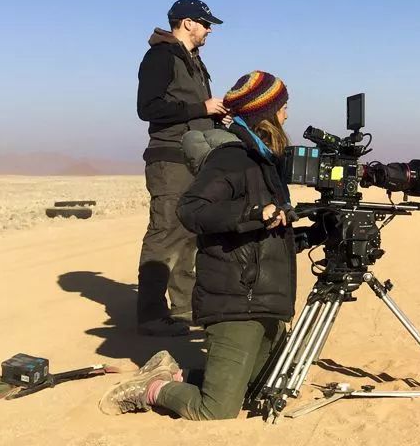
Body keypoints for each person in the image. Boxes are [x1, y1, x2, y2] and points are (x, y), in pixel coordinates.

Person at [101, 71, 297, 419]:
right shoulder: (233, 159)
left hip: (265, 300)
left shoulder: (265, 163)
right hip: (238, 301)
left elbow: (266, 234)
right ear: (265, 113)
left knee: (260, 388)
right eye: (282, 106)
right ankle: (150, 389)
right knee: (216, 410)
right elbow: (191, 210)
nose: (287, 114)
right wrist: (255, 213)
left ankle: (173, 374)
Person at [136, 0, 226, 337]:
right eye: (205, 23)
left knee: (189, 233)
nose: (209, 30)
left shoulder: (193, 61)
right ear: (187, 23)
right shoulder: (160, 57)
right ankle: (151, 316)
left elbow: (191, 109)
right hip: (169, 159)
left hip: (194, 159)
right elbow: (148, 108)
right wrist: (201, 107)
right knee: (164, 234)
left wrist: (214, 117)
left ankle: (184, 309)